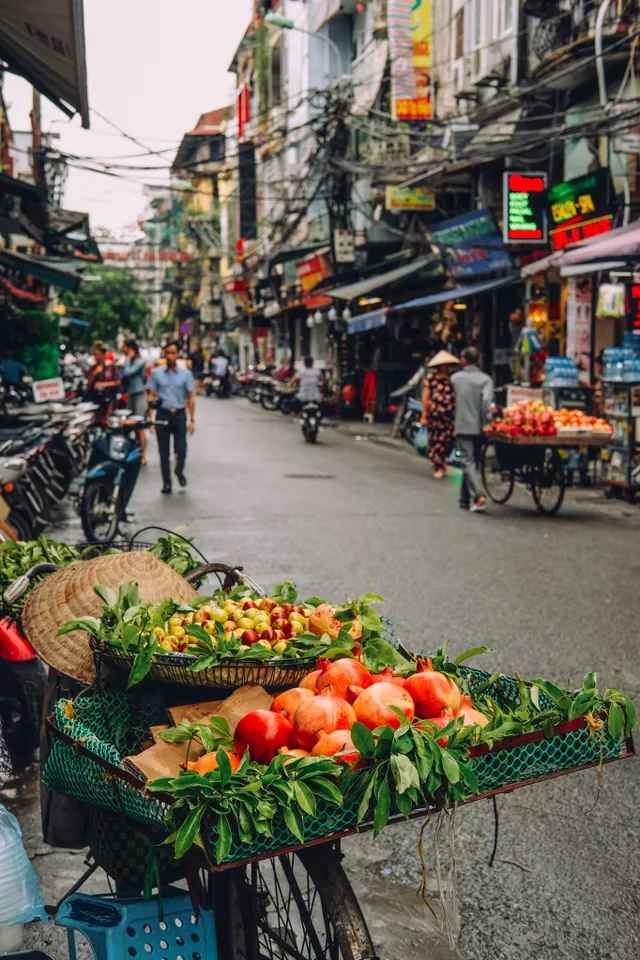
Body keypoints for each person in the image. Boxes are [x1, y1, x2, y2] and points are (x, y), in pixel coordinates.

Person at [147, 341, 195, 494]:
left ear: (178, 354)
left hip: (179, 415)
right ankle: (166, 482)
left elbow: (191, 397)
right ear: (164, 354)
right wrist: (150, 418)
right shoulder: (156, 373)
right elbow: (151, 395)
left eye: (173, 353)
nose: (170, 356)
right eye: (168, 353)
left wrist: (192, 420)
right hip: (163, 414)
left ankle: (179, 471)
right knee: (164, 453)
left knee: (181, 449)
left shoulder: (186, 374)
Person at [450, 346, 494, 513]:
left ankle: (478, 495)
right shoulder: (486, 380)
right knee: (470, 461)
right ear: (479, 361)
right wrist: (487, 422)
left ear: (463, 360)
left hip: (462, 426)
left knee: (466, 461)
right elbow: (486, 403)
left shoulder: (455, 379)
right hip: (480, 428)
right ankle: (463, 499)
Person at [420, 350, 458, 479]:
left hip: (450, 416)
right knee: (436, 441)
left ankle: (446, 461)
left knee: (449, 441)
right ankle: (438, 466)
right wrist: (424, 416)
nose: (446, 367)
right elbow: (425, 398)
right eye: (444, 365)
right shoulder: (431, 380)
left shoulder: (453, 379)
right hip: (435, 416)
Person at [121, 339, 148, 465]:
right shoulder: (130, 361)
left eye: (125, 347)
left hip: (139, 395)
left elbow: (127, 372)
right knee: (130, 425)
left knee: (139, 426)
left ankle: (143, 455)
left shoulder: (139, 361)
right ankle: (134, 452)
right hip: (130, 394)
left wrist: (127, 359)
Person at [85, 341, 119, 414]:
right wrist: (94, 374)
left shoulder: (111, 367)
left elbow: (117, 382)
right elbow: (88, 386)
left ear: (103, 354)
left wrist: (104, 384)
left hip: (109, 399)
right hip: (96, 400)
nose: (96, 357)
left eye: (98, 354)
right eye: (94, 355)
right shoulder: (93, 368)